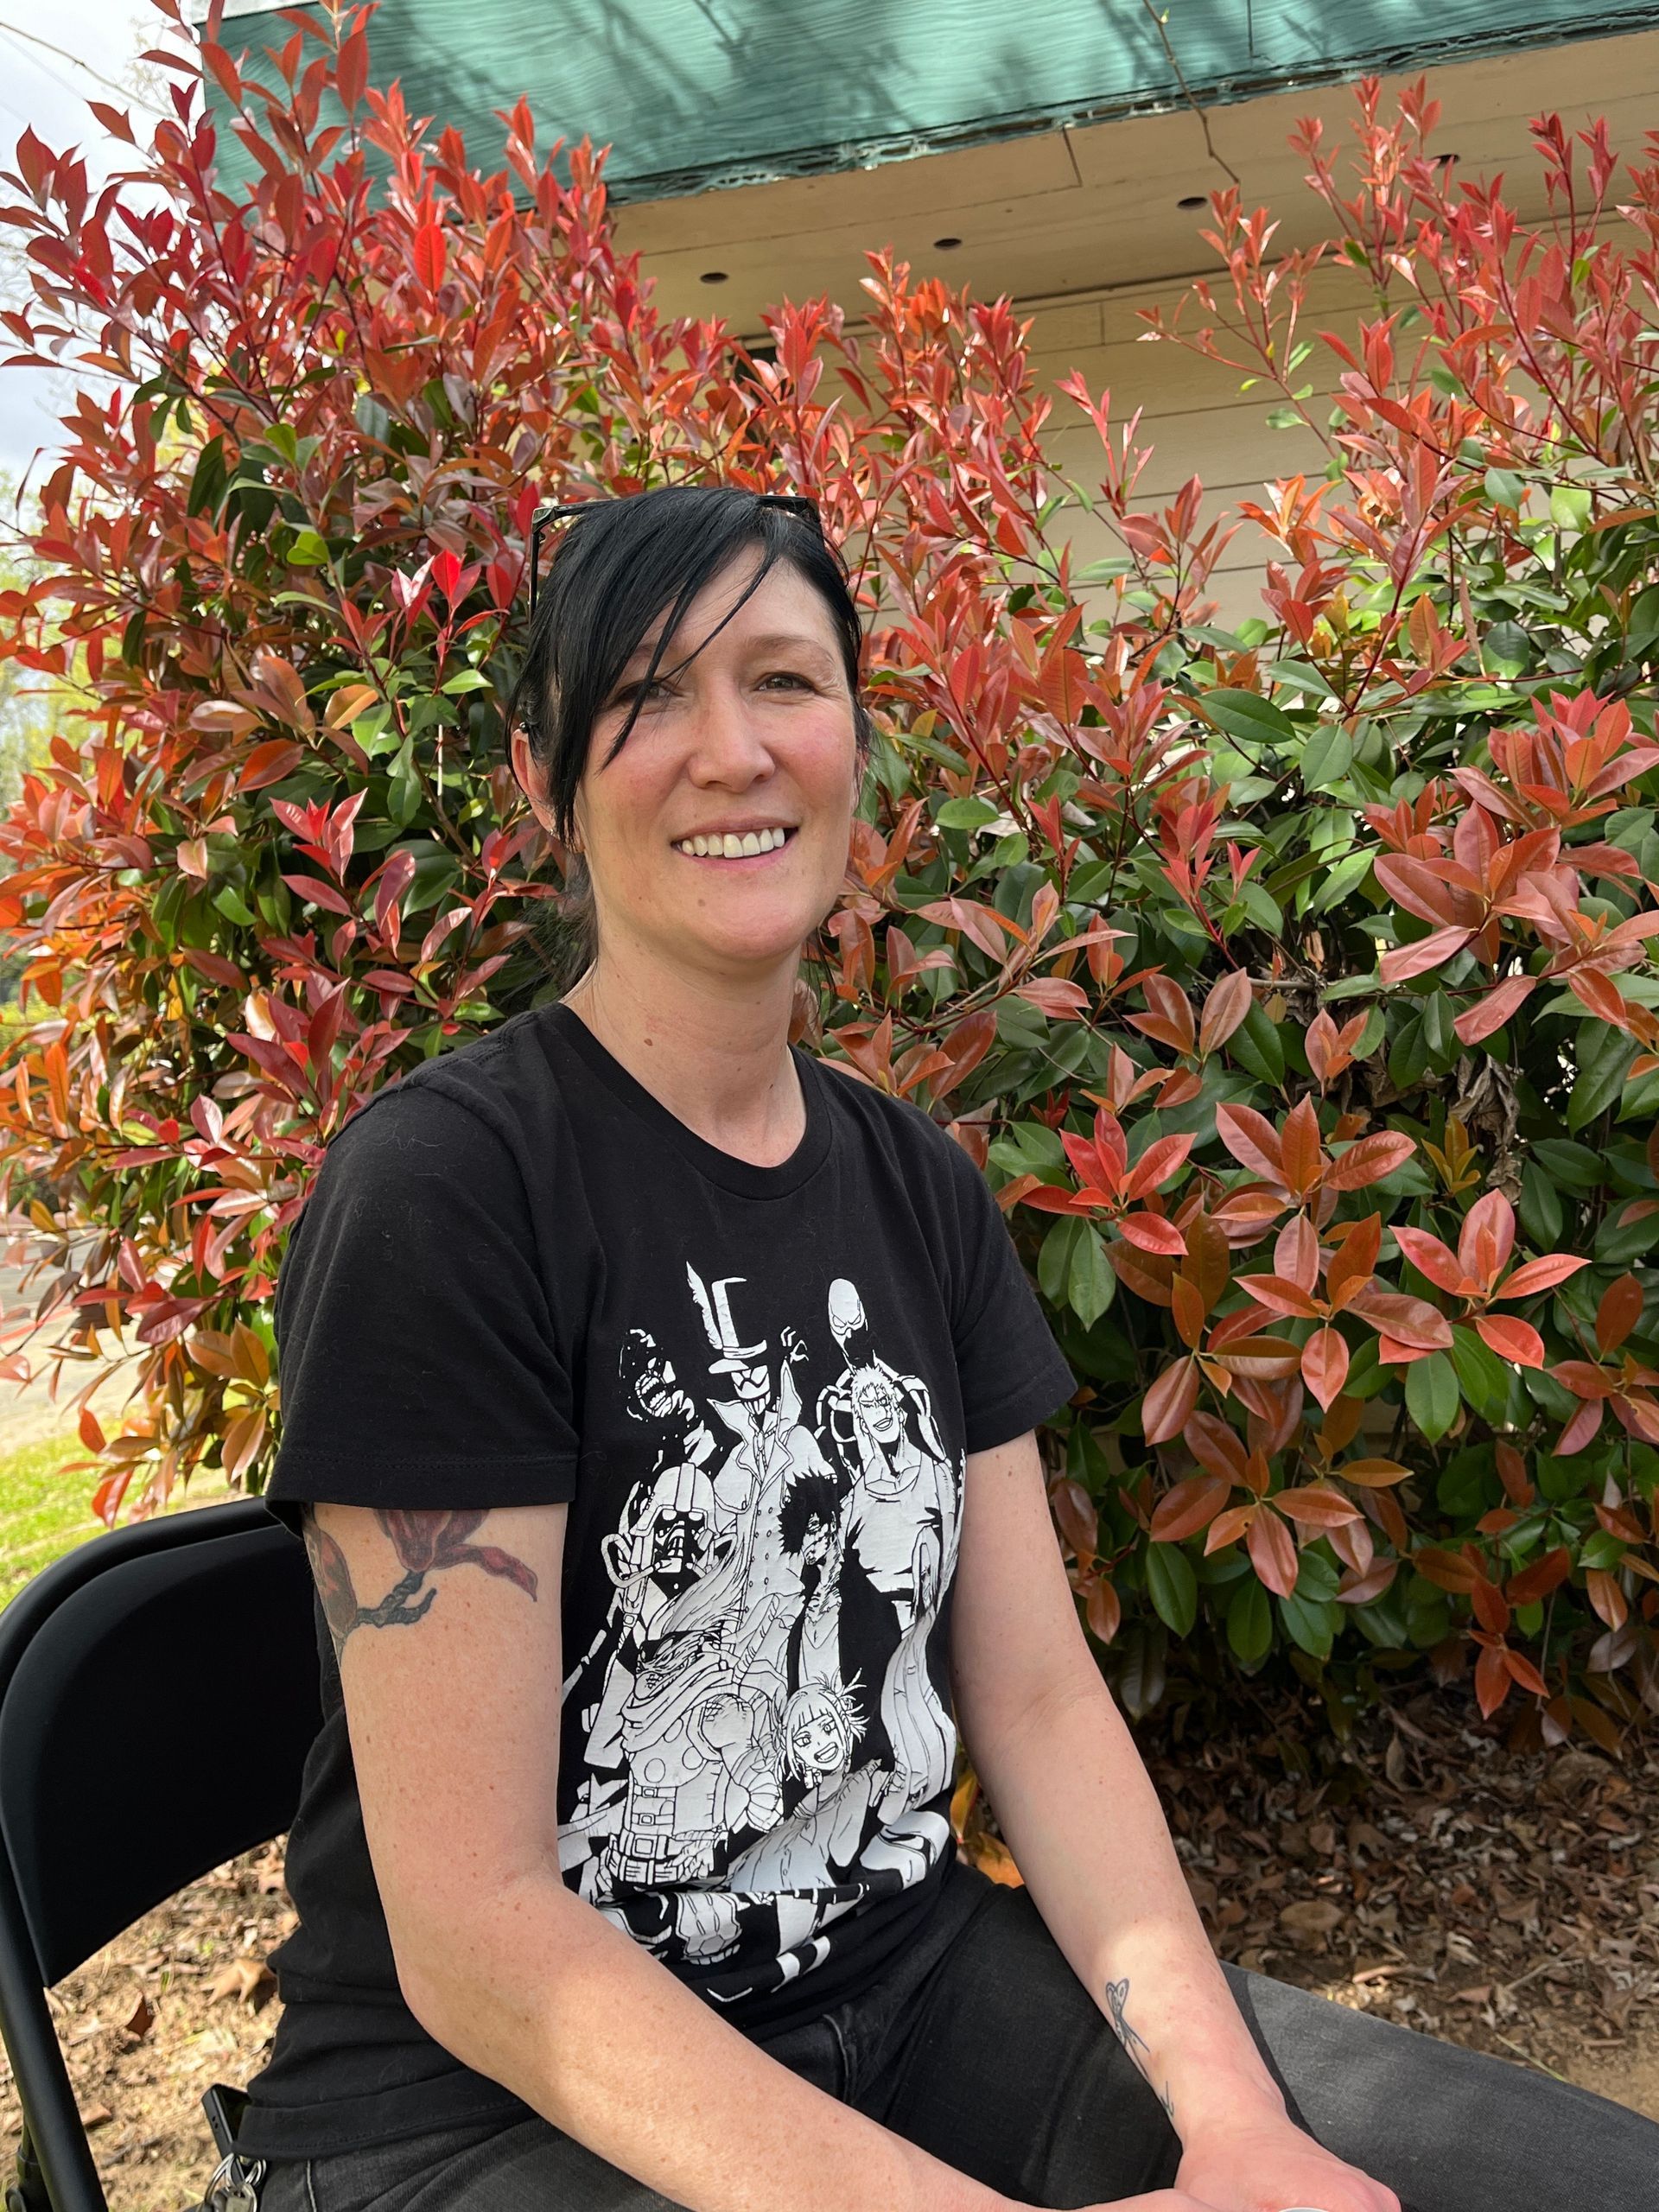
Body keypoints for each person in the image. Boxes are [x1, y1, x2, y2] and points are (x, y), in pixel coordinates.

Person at [236, 486, 1655, 2212]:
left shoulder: (908, 1181)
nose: (730, 748)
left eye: (783, 679)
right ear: (551, 780)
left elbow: (1043, 1703)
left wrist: (1237, 2123)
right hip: (476, 2115)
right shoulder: (451, 1190)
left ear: (854, 738)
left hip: (899, 1985)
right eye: (647, 697)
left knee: (1575, 2176)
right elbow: (475, 1935)